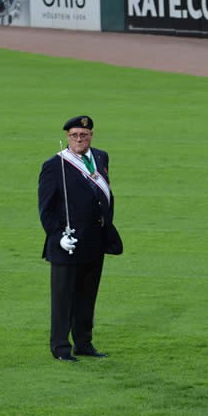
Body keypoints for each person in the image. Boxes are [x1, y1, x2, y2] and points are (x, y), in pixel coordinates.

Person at [38, 116, 123, 362]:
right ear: (68, 137)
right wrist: (57, 237)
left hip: (94, 241)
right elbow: (46, 209)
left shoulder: (101, 157)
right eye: (74, 135)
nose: (79, 139)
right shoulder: (55, 165)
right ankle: (61, 348)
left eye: (83, 135)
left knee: (87, 297)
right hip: (68, 243)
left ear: (91, 136)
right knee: (63, 299)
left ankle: (84, 343)